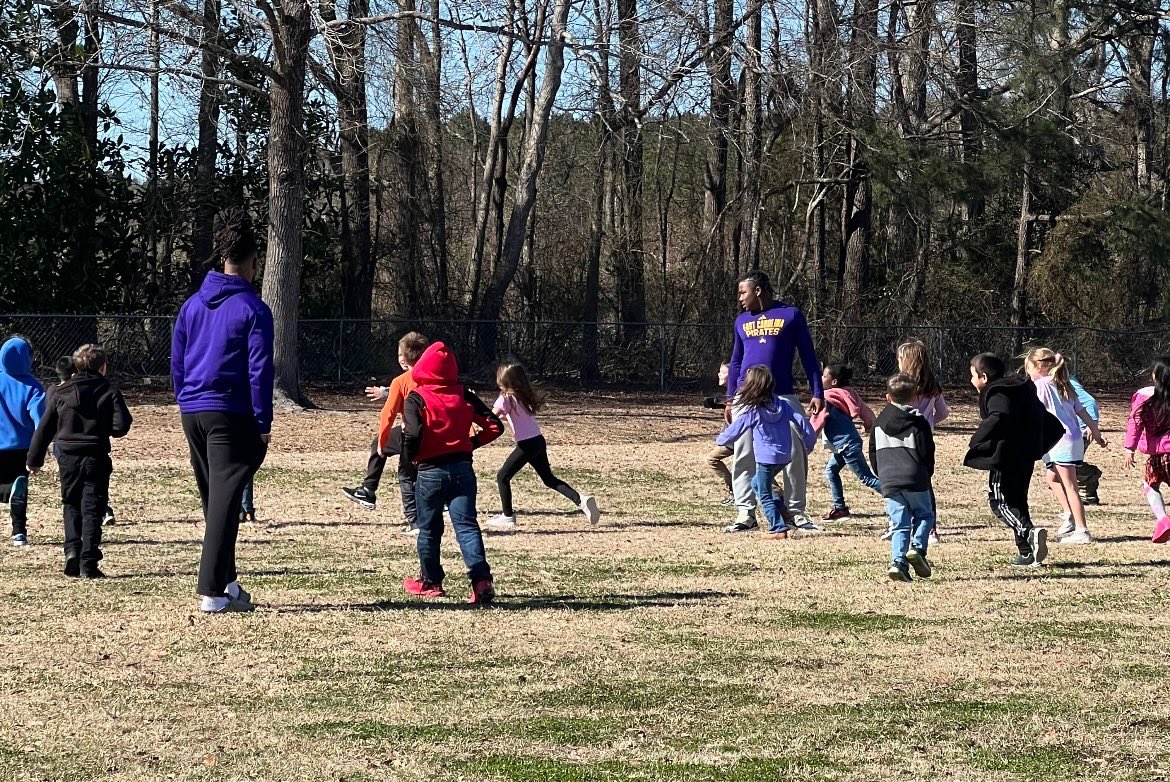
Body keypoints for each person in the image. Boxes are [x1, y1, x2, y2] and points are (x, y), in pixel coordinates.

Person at [172, 212, 273, 614]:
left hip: (193, 410)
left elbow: (177, 358)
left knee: (219, 500)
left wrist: (185, 398)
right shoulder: (253, 308)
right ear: (252, 264)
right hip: (229, 412)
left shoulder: (193, 305)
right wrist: (263, 421)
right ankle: (211, 592)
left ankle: (228, 581)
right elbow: (259, 368)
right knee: (222, 501)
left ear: (220, 260)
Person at [401, 341, 504, 603]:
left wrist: (410, 458)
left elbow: (412, 433)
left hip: (430, 470)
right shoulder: (464, 395)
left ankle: (431, 581)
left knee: (429, 529)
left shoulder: (417, 397)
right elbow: (494, 426)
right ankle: (481, 581)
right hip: (462, 468)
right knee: (467, 526)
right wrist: (471, 443)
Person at [724, 271, 824, 533]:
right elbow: (735, 361)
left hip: (782, 395)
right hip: (746, 397)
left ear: (758, 290)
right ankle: (745, 513)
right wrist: (729, 398)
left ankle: (796, 513)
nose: (740, 298)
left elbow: (808, 355)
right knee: (744, 453)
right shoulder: (742, 320)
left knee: (795, 451)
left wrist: (817, 391)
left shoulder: (790, 315)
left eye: (743, 292)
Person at [27, 344, 132, 578]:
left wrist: (34, 459)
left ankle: (72, 551)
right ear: (102, 367)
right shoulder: (108, 390)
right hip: (95, 454)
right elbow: (121, 426)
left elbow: (45, 427)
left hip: (67, 455)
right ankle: (89, 563)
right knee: (93, 508)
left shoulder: (58, 391)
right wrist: (102, 426)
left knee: (71, 503)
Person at [964, 353, 1064, 566]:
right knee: (1018, 501)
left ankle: (1029, 533)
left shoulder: (998, 392)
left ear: (983, 376)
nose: (971, 381)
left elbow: (999, 415)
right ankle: (1027, 552)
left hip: (1006, 456)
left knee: (1000, 502)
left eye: (972, 376)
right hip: (1024, 454)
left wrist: (977, 439)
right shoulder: (1019, 389)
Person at [485, 361, 600, 531]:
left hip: (526, 445)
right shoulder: (522, 395)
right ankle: (581, 500)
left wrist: (474, 408)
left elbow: (490, 418)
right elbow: (512, 417)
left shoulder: (505, 398)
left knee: (502, 477)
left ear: (503, 380)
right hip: (538, 441)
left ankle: (507, 516)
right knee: (549, 479)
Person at [342, 332, 429, 536]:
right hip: (437, 433)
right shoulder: (436, 376)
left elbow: (387, 414)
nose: (399, 358)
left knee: (405, 473)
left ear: (406, 358)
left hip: (413, 434)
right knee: (427, 471)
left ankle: (412, 520)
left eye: (401, 354)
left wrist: (383, 441)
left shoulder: (401, 381)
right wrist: (386, 392)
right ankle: (441, 503)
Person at [715, 366, 816, 540]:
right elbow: (804, 424)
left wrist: (720, 440)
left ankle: (778, 528)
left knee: (763, 492)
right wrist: (809, 443)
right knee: (756, 483)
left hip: (766, 459)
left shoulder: (753, 410)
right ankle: (784, 513)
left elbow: (736, 430)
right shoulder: (783, 405)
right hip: (784, 457)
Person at [1024, 348, 1107, 544]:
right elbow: (1081, 410)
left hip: (1060, 440)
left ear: (1039, 367)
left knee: (1071, 486)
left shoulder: (1042, 385)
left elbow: (1036, 412)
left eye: (1028, 369)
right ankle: (1069, 514)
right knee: (1052, 479)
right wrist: (1095, 431)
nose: (1028, 374)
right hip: (1071, 439)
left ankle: (1082, 530)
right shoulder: (1063, 383)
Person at [871, 374, 936, 582]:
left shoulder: (878, 424)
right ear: (914, 397)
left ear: (887, 397)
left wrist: (881, 474)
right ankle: (917, 548)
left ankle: (898, 563)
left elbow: (872, 452)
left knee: (899, 524)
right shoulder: (918, 423)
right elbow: (927, 452)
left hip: (889, 479)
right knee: (924, 515)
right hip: (915, 477)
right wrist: (927, 473)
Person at [896, 339, 950, 544]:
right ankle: (930, 528)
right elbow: (943, 412)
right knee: (925, 484)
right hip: (925, 440)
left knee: (901, 483)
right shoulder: (932, 385)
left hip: (903, 439)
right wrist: (928, 424)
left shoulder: (901, 385)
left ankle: (901, 525)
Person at [811, 363, 879, 522]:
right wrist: (869, 425)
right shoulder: (849, 393)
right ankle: (840, 508)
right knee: (831, 471)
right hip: (847, 443)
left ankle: (900, 500)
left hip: (846, 445)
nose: (821, 378)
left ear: (833, 382)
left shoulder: (826, 399)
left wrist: (805, 438)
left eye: (824, 376)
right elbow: (865, 411)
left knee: (867, 478)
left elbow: (816, 423)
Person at [56, 356, 118, 526]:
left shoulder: (55, 393)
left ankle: (74, 542)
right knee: (93, 487)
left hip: (64, 446)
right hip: (92, 447)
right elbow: (118, 423)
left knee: (72, 493)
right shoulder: (95, 390)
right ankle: (102, 510)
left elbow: (45, 423)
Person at [0, 335, 45, 547]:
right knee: (20, 488)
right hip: (22, 447)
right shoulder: (33, 387)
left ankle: (5, 490)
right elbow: (39, 418)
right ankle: (19, 532)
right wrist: (42, 445)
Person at [1123, 357, 1170, 543]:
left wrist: (1129, 448)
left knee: (1150, 485)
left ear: (1154, 376)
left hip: (1158, 455)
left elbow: (1135, 423)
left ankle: (1163, 520)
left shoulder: (1145, 397)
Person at [703, 362, 734, 506]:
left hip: (740, 439)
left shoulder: (737, 392)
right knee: (755, 469)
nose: (719, 374)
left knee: (755, 469)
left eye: (723, 372)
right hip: (734, 438)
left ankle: (734, 491)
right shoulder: (731, 392)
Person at [1069, 375, 1102, 505]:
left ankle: (1091, 475)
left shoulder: (1066, 380)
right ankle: (1088, 494)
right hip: (1066, 431)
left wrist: (1092, 424)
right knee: (1059, 465)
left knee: (1069, 463)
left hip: (1081, 429)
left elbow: (1089, 401)